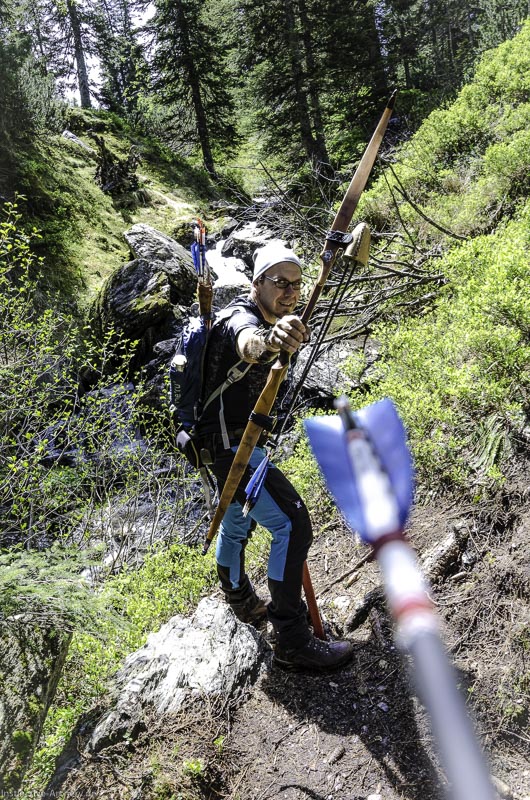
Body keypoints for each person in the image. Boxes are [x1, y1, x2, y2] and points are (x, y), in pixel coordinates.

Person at [195, 241, 354, 671]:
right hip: (232, 449)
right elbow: (251, 344)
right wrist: (272, 340)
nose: (289, 292)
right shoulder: (240, 320)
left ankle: (240, 599)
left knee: (236, 522)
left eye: (296, 284)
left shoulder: (269, 313)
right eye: (279, 282)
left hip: (222, 446)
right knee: (292, 522)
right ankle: (292, 639)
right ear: (256, 283)